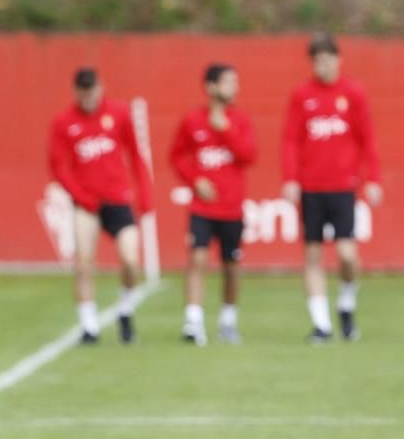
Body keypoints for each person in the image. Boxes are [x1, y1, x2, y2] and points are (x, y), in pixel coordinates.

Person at [281, 33, 382, 343]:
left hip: (343, 187)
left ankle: (346, 304)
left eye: (326, 59)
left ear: (338, 60)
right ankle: (322, 324)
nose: (321, 66)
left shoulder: (353, 94)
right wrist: (290, 178)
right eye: (316, 60)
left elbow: (368, 140)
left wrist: (373, 179)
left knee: (347, 255)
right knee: (312, 255)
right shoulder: (302, 95)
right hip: (311, 188)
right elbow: (290, 140)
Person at [48, 67, 153, 344]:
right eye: (82, 93)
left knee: (131, 261)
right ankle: (88, 325)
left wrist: (145, 196)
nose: (88, 99)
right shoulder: (64, 122)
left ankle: (125, 309)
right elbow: (59, 166)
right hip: (87, 204)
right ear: (75, 92)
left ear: (100, 87)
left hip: (117, 198)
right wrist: (80, 196)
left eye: (91, 91)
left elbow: (136, 155)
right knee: (83, 264)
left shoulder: (118, 114)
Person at [169, 63, 256, 345]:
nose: (235, 88)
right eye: (229, 82)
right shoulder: (192, 120)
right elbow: (177, 156)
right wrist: (195, 181)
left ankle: (228, 321)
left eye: (236, 82)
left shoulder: (239, 120)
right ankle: (193, 322)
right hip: (202, 208)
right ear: (211, 87)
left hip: (231, 208)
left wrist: (227, 131)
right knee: (197, 259)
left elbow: (248, 156)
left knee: (231, 266)